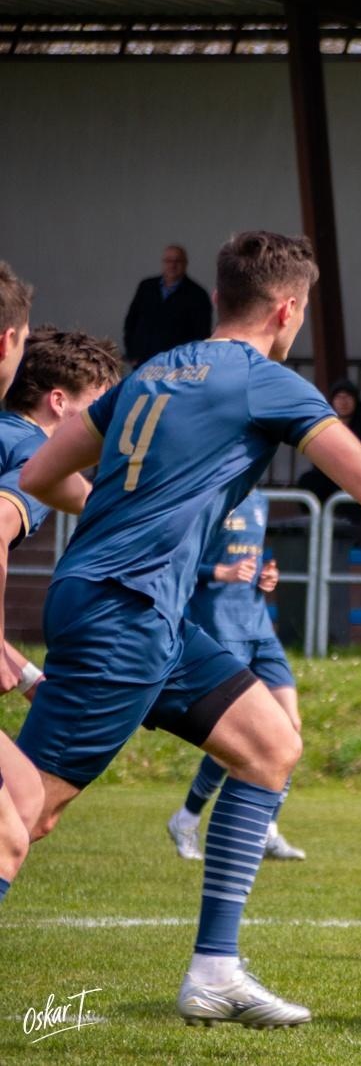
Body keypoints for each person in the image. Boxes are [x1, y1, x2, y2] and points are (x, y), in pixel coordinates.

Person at [15, 231, 361, 1028]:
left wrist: (120, 519)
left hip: (129, 605)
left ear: (217, 298)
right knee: (26, 812)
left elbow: (38, 473)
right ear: (288, 309)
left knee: (270, 746)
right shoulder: (266, 382)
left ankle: (215, 971)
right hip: (125, 612)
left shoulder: (151, 371)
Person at [0, 319, 122, 908]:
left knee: (25, 799)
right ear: (58, 402)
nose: (108, 423)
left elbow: (87, 499)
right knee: (11, 828)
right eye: (99, 407)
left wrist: (26, 675)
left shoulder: (10, 437)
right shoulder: (33, 453)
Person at [166, 488, 306, 863]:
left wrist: (266, 576)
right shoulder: (208, 495)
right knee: (239, 738)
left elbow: (251, 557)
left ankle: (267, 829)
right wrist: (219, 572)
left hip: (259, 627)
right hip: (220, 628)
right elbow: (177, 560)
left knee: (290, 727)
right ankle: (187, 818)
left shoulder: (259, 500)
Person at [123, 244, 213, 367]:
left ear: (185, 263)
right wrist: (132, 353)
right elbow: (131, 322)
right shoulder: (146, 287)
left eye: (177, 261)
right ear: (163, 263)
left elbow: (201, 335)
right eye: (168, 261)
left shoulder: (197, 295)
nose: (172, 265)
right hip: (144, 362)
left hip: (176, 366)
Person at [296, 379, 361, 501]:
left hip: (359, 475)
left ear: (355, 400)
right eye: (339, 397)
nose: (343, 402)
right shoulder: (324, 421)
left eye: (348, 397)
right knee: (308, 481)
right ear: (332, 401)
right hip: (331, 473)